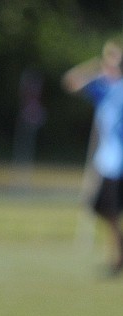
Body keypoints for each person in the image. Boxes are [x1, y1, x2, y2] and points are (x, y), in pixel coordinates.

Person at [63, 41, 123, 274]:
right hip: (108, 162)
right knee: (103, 209)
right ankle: (118, 256)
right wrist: (96, 66)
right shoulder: (103, 88)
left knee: (109, 210)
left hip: (118, 163)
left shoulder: (117, 89)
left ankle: (117, 258)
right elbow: (70, 81)